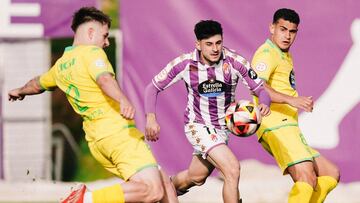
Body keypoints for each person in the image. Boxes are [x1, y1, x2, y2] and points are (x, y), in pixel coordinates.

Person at [8, 7, 178, 203]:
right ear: (90, 32)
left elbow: (37, 84)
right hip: (118, 135)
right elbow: (104, 79)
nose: (106, 42)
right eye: (104, 36)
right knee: (153, 191)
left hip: (98, 142)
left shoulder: (61, 66)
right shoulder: (92, 53)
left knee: (165, 186)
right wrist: (123, 99)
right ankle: (85, 199)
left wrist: (19, 91)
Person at [144, 20, 271, 203]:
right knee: (232, 169)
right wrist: (150, 118)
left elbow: (260, 90)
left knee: (197, 177)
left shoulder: (234, 62)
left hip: (221, 129)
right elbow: (152, 88)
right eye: (209, 44)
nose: (215, 49)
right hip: (198, 125)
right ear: (198, 44)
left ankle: (162, 189)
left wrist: (264, 103)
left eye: (218, 43)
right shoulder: (185, 64)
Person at [251, 8, 340, 203]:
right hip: (274, 123)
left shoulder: (283, 54)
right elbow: (258, 87)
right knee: (306, 178)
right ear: (272, 28)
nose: (287, 36)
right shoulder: (267, 53)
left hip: (289, 126)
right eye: (282, 29)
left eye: (292, 32)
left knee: (331, 174)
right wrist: (292, 100)